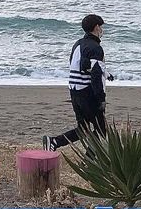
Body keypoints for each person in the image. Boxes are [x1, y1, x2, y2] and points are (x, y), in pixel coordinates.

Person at [44, 13, 115, 151]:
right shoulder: (96, 48)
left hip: (74, 91)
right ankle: (89, 159)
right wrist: (101, 98)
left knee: (83, 129)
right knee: (101, 130)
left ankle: (54, 142)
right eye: (101, 27)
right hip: (87, 93)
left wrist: (105, 73)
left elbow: (80, 65)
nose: (102, 30)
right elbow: (93, 73)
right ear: (96, 27)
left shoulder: (78, 44)